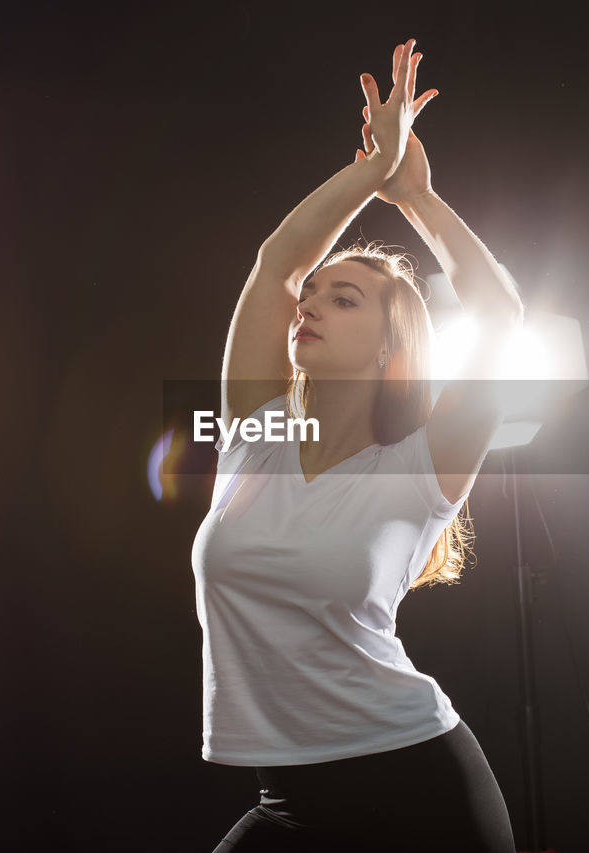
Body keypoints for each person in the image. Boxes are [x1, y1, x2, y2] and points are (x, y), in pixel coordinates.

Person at [191, 38, 523, 852]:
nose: (310, 303)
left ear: (390, 349)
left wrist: (415, 198)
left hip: (416, 785)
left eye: (344, 299)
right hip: (289, 794)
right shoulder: (258, 437)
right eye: (317, 293)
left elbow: (500, 316)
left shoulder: (419, 467)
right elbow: (277, 265)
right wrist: (372, 168)